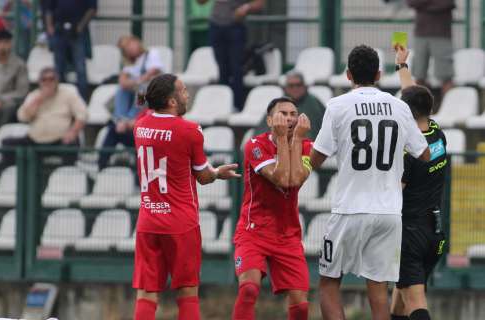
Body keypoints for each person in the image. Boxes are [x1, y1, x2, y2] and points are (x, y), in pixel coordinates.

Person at [309, 44, 431, 320]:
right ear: (378, 74)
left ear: (348, 74)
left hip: (349, 209)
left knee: (329, 284)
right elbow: (424, 153)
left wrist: (300, 161)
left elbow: (317, 158)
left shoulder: (338, 105)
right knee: (378, 292)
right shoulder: (399, 107)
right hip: (388, 212)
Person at [132, 73, 240, 320]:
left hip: (148, 221)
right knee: (187, 291)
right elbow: (203, 176)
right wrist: (217, 173)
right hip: (180, 223)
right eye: (182, 91)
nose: (187, 94)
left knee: (147, 293)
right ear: (171, 101)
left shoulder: (140, 126)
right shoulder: (190, 130)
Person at [233, 97, 312, 320]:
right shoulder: (255, 145)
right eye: (282, 114)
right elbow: (280, 178)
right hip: (253, 231)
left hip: (287, 234)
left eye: (293, 114)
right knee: (249, 289)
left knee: (301, 305)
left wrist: (294, 141)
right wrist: (283, 139)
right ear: (270, 120)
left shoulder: (307, 146)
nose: (289, 118)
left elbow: (294, 179)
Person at [389, 46, 448, 320]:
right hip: (435, 232)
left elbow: (396, 193)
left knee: (415, 301)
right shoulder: (437, 133)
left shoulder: (408, 151)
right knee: (400, 299)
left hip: (409, 232)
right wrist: (403, 67)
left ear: (405, 112)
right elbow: (415, 100)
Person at [97, 35, 164, 170]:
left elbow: (153, 72)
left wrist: (137, 81)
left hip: (149, 101)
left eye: (130, 44)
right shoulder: (130, 63)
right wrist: (135, 81)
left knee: (142, 89)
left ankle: (129, 118)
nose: (129, 48)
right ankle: (121, 119)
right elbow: (123, 81)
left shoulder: (152, 54)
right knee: (122, 91)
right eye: (125, 48)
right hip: (135, 107)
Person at [1, 67, 87, 165]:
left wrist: (73, 131)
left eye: (51, 79)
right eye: (44, 79)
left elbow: (83, 114)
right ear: (39, 82)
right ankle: (13, 176)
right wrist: (39, 99)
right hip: (35, 140)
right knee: (7, 143)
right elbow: (22, 117)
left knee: (73, 144)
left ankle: (66, 178)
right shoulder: (34, 95)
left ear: (57, 80)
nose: (48, 82)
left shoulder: (68, 93)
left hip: (59, 140)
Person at [196, 0, 265, 110]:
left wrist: (245, 7)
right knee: (222, 69)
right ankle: (223, 105)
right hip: (216, 25)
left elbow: (260, 3)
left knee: (236, 68)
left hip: (235, 26)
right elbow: (200, 2)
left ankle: (237, 106)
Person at [45, 0, 96, 99]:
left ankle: (82, 101)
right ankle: (58, 100)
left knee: (80, 68)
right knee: (58, 69)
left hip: (77, 31)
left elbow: (92, 9)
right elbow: (49, 9)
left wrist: (80, 27)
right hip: (59, 30)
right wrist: (49, 27)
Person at [255, 72, 325, 140]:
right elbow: (262, 132)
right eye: (291, 86)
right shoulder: (277, 104)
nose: (295, 89)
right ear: (285, 88)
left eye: (298, 85)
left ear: (305, 86)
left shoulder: (313, 103)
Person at [406, 0, 455, 95]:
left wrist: (422, 5)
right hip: (420, 34)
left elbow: (447, 3)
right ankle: (420, 107)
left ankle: (450, 107)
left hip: (442, 34)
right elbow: (411, 2)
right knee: (419, 75)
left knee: (446, 76)